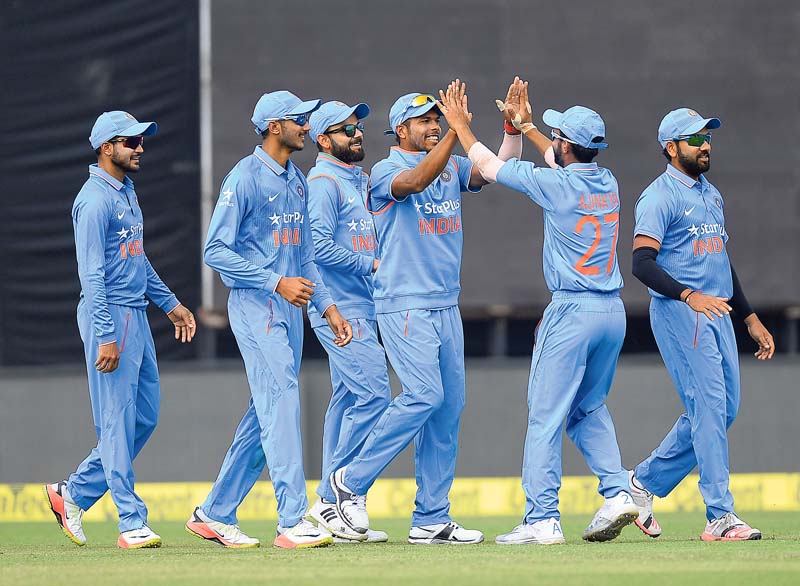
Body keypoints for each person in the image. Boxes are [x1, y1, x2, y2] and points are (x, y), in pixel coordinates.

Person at [440, 79, 639, 544]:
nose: (553, 143)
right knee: (587, 408)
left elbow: (488, 167)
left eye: (557, 137)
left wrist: (461, 128)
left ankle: (542, 517)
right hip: (612, 311)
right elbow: (558, 156)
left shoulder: (553, 185)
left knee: (545, 416)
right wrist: (525, 126)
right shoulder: (606, 181)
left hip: (572, 311)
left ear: (566, 147)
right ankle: (618, 491)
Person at [330, 82, 498, 546]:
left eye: (436, 120)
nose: (433, 127)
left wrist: (511, 131)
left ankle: (430, 518)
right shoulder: (385, 170)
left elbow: (490, 171)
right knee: (423, 395)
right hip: (403, 304)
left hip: (446, 303)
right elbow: (415, 181)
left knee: (448, 408)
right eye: (424, 121)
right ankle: (350, 481)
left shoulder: (450, 164)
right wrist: (457, 131)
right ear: (400, 128)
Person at [185, 91, 352, 550]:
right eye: (299, 119)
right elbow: (214, 251)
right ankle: (292, 519)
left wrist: (329, 306)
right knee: (281, 402)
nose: (307, 125)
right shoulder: (245, 177)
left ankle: (215, 512)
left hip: (292, 310)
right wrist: (275, 282)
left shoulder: (297, 180)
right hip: (257, 307)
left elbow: (307, 257)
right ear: (274, 126)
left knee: (266, 412)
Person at [44, 111, 197, 549]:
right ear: (106, 147)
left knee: (143, 417)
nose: (140, 148)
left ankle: (71, 494)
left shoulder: (126, 191)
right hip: (108, 314)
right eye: (131, 142)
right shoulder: (93, 200)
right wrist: (105, 333)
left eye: (141, 141)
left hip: (136, 315)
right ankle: (131, 521)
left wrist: (170, 305)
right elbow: (91, 275)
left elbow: (136, 258)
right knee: (115, 422)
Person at [627, 108, 774, 541]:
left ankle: (642, 484)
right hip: (682, 313)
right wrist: (690, 296)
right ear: (671, 149)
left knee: (722, 411)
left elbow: (719, 259)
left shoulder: (711, 194)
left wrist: (749, 316)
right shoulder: (658, 197)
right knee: (709, 409)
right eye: (694, 139)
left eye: (707, 137)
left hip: (719, 313)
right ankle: (720, 516)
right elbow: (640, 263)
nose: (705, 144)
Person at [304, 101, 391, 543]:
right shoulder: (322, 181)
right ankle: (330, 498)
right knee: (376, 396)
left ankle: (330, 504)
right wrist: (371, 265)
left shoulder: (356, 178)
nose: (356, 134)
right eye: (344, 130)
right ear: (322, 140)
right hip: (340, 309)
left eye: (357, 127)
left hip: (360, 307)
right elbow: (315, 248)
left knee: (346, 402)